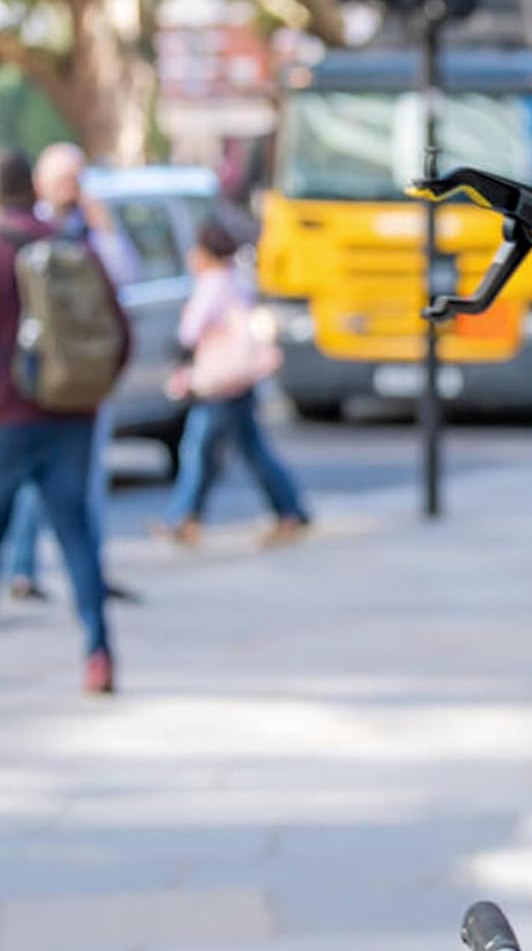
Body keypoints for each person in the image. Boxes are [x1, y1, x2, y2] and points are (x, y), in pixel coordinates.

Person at [0, 148, 129, 693]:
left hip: (7, 418)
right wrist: (89, 392)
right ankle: (98, 652)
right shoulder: (72, 247)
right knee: (77, 538)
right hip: (72, 414)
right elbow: (119, 332)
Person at [153, 219, 310, 545]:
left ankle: (183, 517)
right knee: (246, 451)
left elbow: (189, 332)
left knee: (199, 451)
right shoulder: (238, 281)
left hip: (219, 383)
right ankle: (288, 509)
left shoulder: (212, 285)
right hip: (241, 378)